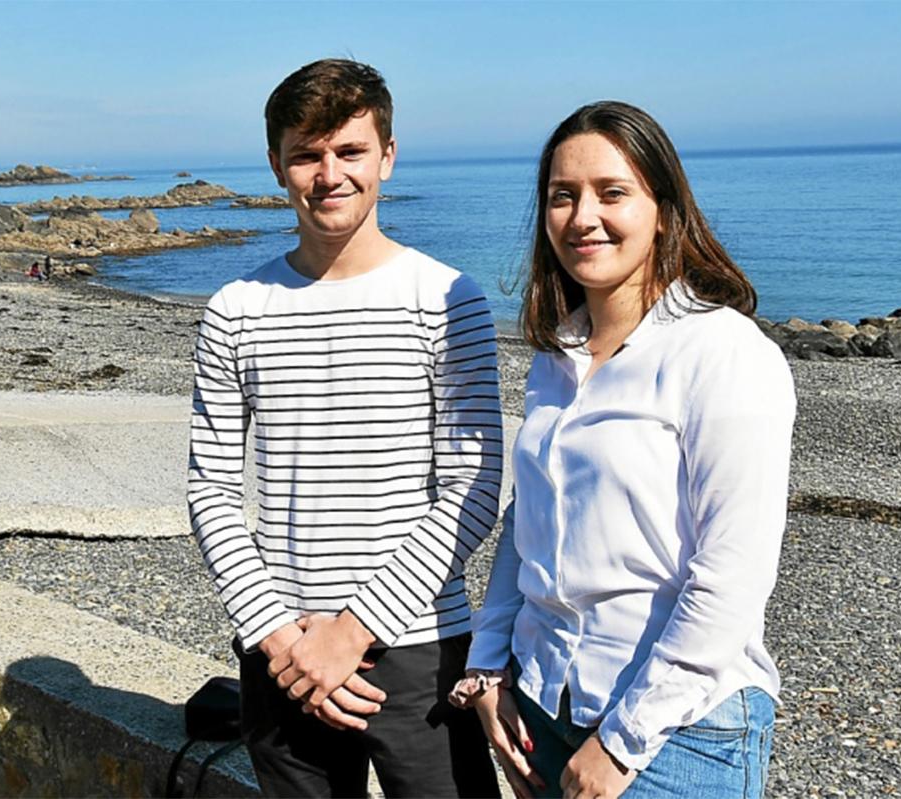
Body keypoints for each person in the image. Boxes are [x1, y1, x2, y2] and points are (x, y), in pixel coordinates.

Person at [451, 101, 796, 799]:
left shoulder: (723, 352)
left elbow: (733, 575)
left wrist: (621, 741)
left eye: (613, 193)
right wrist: (488, 666)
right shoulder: (559, 355)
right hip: (547, 706)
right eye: (562, 196)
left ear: (664, 210)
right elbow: (529, 520)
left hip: (676, 732)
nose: (583, 217)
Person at [186, 59, 501, 798]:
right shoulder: (236, 308)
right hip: (282, 649)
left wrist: (351, 632)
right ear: (277, 165)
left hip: (419, 646)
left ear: (386, 156)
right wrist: (281, 637)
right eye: (307, 153)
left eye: (350, 151)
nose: (329, 173)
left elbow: (474, 487)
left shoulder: (450, 299)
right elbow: (210, 489)